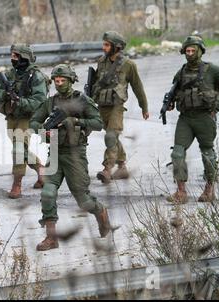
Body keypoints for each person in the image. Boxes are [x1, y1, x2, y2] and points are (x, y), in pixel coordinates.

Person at [29, 64, 113, 251]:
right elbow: (33, 121)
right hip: (56, 153)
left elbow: (98, 123)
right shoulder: (50, 103)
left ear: (70, 80)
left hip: (76, 154)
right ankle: (51, 238)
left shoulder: (82, 100)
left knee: (83, 200)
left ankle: (101, 212)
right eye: (56, 81)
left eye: (63, 80)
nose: (59, 84)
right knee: (47, 193)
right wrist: (44, 130)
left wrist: (76, 121)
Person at [166, 35, 219, 204]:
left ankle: (209, 189)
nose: (190, 53)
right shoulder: (181, 72)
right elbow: (175, 90)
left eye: (194, 50)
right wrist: (170, 103)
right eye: (187, 50)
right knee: (177, 153)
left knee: (207, 153)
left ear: (200, 51)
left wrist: (218, 106)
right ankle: (181, 191)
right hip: (185, 118)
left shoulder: (212, 70)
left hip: (204, 117)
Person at [91, 31, 149, 183]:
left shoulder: (128, 65)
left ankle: (107, 169)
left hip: (117, 106)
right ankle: (122, 166)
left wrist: (144, 107)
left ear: (116, 47)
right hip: (102, 104)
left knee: (111, 136)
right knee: (113, 137)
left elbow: (138, 87)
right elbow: (95, 83)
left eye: (107, 45)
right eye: (103, 44)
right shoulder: (101, 61)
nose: (103, 48)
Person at [0, 44, 49, 198]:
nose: (13, 58)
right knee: (21, 149)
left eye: (16, 56)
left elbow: (40, 101)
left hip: (27, 118)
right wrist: (6, 93)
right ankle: (41, 169)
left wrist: (20, 101)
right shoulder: (8, 76)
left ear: (25, 57)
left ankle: (17, 184)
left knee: (18, 149)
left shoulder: (36, 77)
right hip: (11, 117)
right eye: (12, 55)